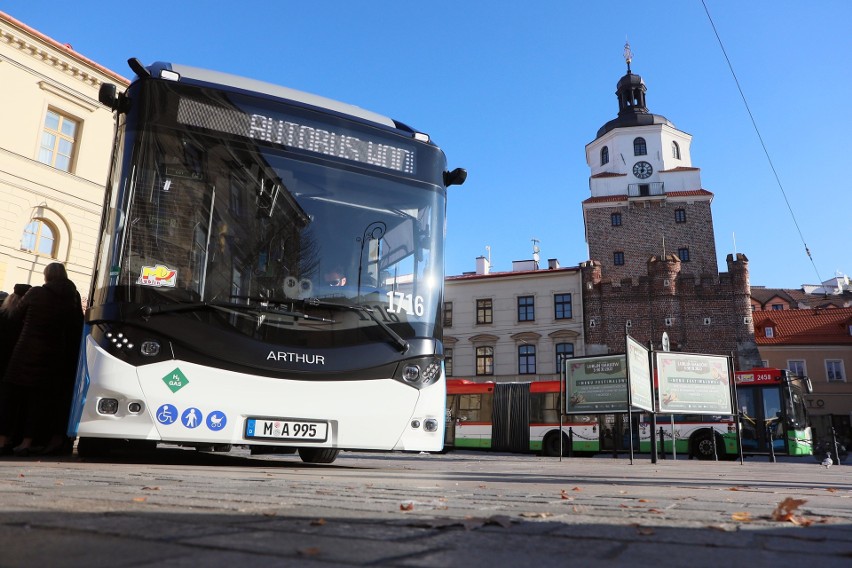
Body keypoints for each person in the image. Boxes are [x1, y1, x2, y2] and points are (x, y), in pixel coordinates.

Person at [0, 264, 83, 456]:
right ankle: (27, 443)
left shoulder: (36, 293)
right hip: (53, 356)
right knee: (37, 403)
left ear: (46, 276)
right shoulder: (71, 298)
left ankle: (3, 440)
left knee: (10, 398)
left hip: (25, 352)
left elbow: (16, 315)